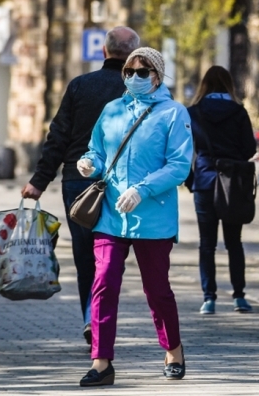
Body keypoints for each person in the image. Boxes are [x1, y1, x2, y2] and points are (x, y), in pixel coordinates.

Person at [77, 47, 192, 386]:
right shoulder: (111, 110)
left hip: (152, 219)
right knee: (103, 283)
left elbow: (180, 165)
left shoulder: (174, 113)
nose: (134, 78)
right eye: (129, 72)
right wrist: (89, 163)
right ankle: (101, 361)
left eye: (143, 72)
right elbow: (96, 150)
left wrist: (143, 189)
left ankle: (173, 348)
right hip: (111, 214)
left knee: (157, 290)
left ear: (158, 76)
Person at [21, 26, 140, 346]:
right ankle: (99, 315)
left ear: (104, 51)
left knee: (86, 254)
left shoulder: (79, 86)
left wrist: (39, 181)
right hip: (123, 186)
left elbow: (58, 136)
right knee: (111, 254)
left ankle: (91, 316)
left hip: (78, 182)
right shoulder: (140, 91)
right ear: (133, 56)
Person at [187, 66, 257, 315]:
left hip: (205, 182)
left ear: (204, 85)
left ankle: (209, 298)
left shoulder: (193, 113)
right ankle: (239, 296)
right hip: (232, 184)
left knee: (207, 244)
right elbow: (249, 149)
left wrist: (190, 180)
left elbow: (184, 153)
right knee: (233, 242)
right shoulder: (238, 112)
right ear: (229, 85)